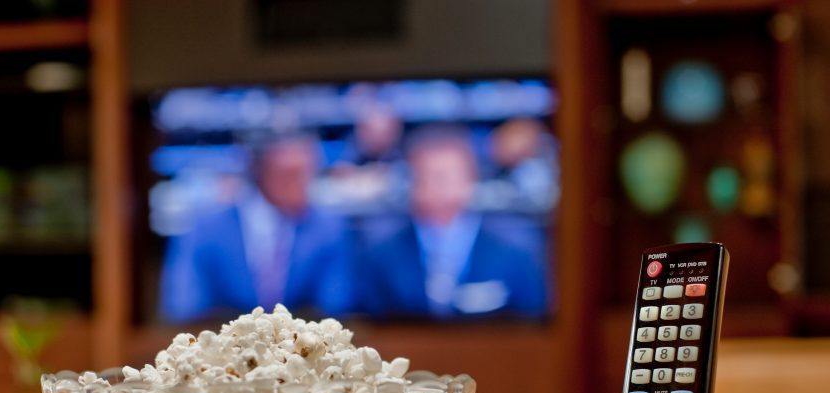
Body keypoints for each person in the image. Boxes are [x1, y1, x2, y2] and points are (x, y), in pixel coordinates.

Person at [359, 126, 549, 318]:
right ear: (412, 182)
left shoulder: (515, 252)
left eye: (447, 176)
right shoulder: (381, 254)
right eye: (429, 175)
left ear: (471, 178)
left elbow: (535, 328)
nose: (438, 186)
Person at [159, 134, 353, 322]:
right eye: (289, 176)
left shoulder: (328, 228)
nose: (302, 186)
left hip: (300, 348)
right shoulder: (206, 228)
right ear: (261, 173)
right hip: (225, 347)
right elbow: (183, 306)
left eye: (308, 174)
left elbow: (338, 305)